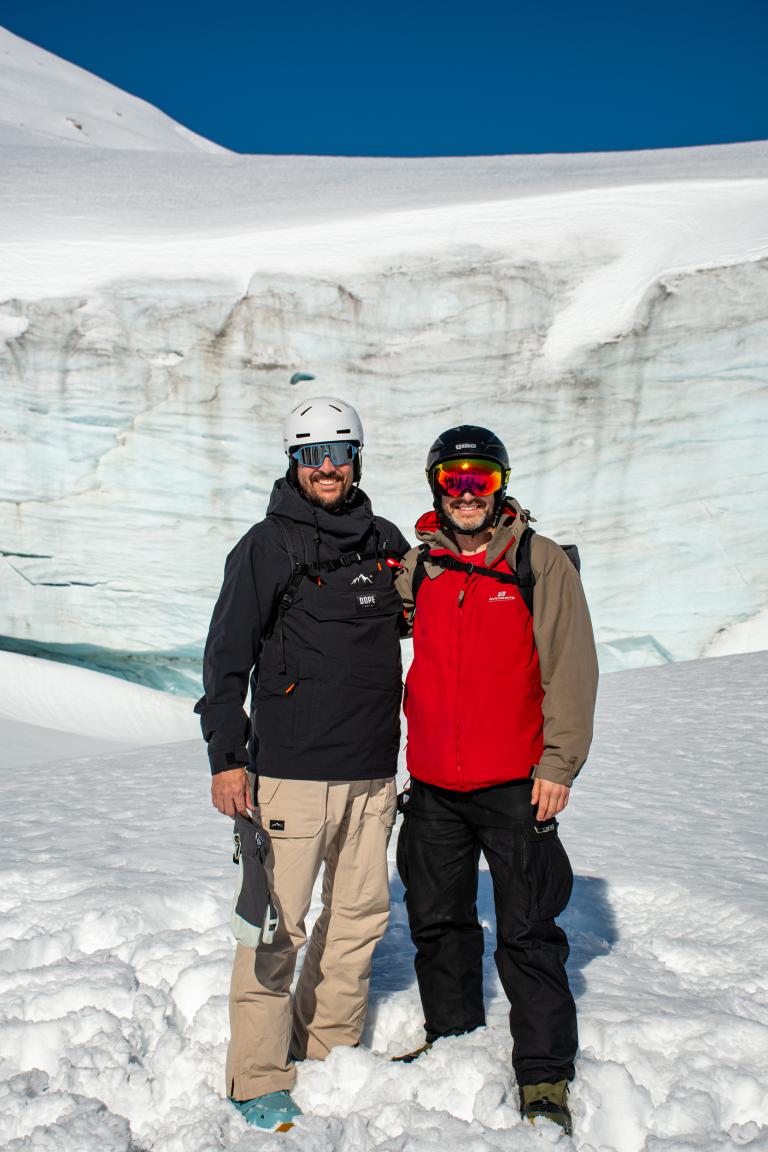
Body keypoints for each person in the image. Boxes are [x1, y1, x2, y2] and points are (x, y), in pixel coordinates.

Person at [195, 394, 409, 1131]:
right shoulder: (266, 546)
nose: (326, 468)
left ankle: (327, 1049)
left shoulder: (384, 540)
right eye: (312, 455)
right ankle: (256, 1076)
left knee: (358, 921)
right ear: (293, 462)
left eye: (338, 453)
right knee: (275, 929)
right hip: (290, 774)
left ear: (356, 460)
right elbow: (225, 660)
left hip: (372, 773)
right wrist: (227, 759)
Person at [393, 425, 598, 1136]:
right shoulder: (422, 565)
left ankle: (543, 1075)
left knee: (529, 932)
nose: (467, 493)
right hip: (433, 787)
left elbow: (571, 668)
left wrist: (559, 765)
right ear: (435, 487)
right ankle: (452, 1037)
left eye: (480, 478)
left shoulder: (539, 562)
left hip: (517, 784)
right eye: (453, 479)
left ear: (501, 485)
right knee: (438, 923)